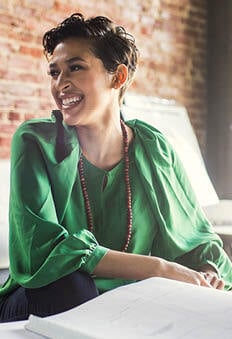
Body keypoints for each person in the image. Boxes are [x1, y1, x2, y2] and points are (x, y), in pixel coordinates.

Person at [0, 12, 231, 323]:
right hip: (44, 296)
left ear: (118, 77)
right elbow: (41, 251)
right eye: (54, 73)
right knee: (73, 285)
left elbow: (199, 242)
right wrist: (159, 268)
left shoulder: (155, 149)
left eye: (75, 68)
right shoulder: (35, 141)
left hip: (129, 304)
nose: (60, 84)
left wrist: (206, 273)